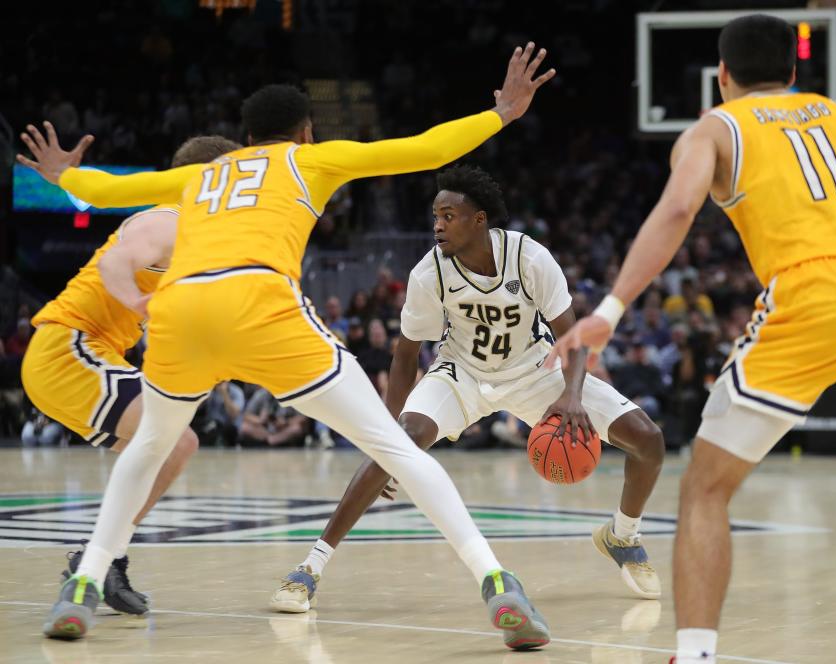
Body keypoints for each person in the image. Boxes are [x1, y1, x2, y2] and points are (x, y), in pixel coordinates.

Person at [22, 43, 556, 647]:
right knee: (393, 446)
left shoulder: (200, 175)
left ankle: (86, 583)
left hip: (182, 311)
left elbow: (107, 192)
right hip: (260, 303)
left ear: (246, 137)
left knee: (149, 445)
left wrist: (63, 173)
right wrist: (503, 113)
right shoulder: (311, 161)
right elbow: (427, 149)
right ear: (305, 132)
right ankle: (496, 581)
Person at [548, 15, 836, 664]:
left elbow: (679, 209)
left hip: (813, 295)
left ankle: (697, 655)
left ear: (722, 76)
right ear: (795, 74)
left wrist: (612, 306)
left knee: (706, 487)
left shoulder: (715, 127)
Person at [269, 165, 665, 615]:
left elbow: (571, 338)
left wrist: (571, 396)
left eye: (449, 215)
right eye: (435, 216)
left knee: (647, 439)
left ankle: (623, 536)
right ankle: (309, 569)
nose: (438, 224)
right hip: (462, 375)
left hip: (536, 372)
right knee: (401, 440)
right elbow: (405, 355)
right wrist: (383, 435)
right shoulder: (428, 274)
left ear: (480, 220)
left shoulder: (529, 257)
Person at [19, 135, 240, 616]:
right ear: (206, 180)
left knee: (162, 455)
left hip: (85, 353)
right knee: (176, 442)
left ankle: (105, 557)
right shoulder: (170, 220)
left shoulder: (194, 236)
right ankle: (100, 559)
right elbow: (118, 260)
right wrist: (134, 300)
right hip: (68, 346)